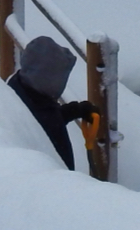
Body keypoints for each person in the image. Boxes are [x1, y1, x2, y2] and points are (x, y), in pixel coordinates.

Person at [6, 36, 97, 170]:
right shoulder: (45, 117)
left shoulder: (20, 87)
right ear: (48, 79)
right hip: (54, 180)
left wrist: (75, 110)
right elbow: (47, 126)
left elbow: (40, 122)